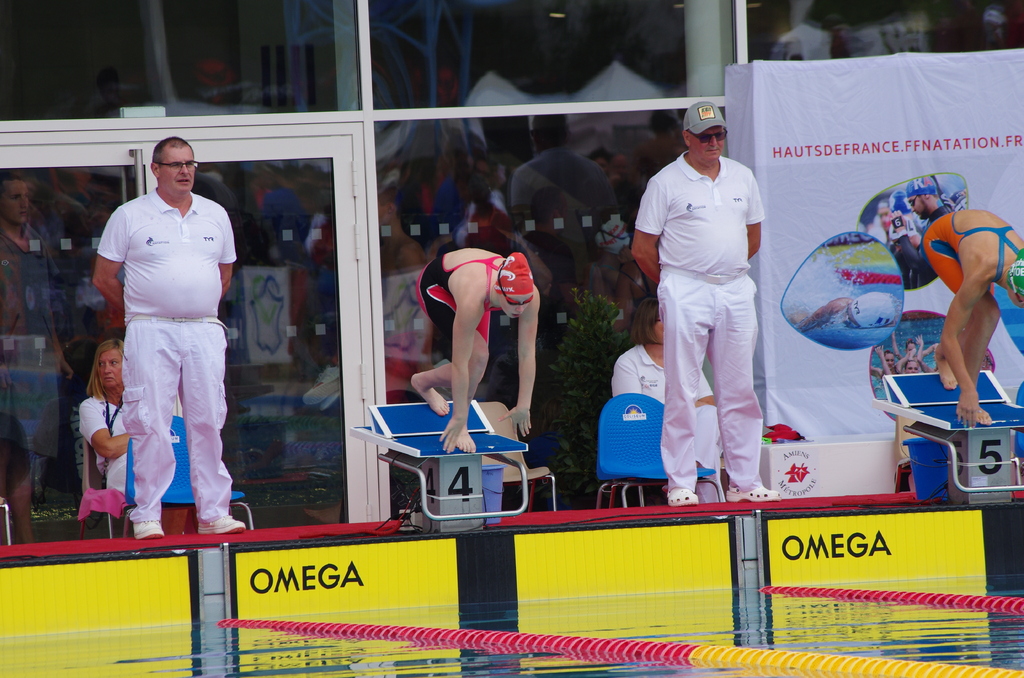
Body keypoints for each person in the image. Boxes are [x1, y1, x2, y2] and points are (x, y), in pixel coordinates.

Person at [93, 136, 246, 540]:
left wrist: (194, 304)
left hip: (203, 328)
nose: (185, 171)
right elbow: (103, 278)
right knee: (150, 422)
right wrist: (141, 310)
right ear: (156, 169)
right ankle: (147, 514)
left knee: (207, 419)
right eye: (176, 164)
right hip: (150, 328)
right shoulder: (129, 215)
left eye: (190, 164)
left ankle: (213, 513)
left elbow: (224, 275)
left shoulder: (215, 214)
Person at [631, 101, 778, 506]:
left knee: (739, 388)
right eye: (705, 135)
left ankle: (744, 480)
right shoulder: (664, 182)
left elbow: (752, 237)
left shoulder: (742, 176)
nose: (713, 142)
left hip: (734, 286)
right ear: (687, 137)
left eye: (719, 134)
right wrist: (674, 283)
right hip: (685, 286)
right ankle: (680, 481)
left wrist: (722, 268)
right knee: (682, 386)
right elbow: (642, 249)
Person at [411, 248, 539, 453]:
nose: (520, 309)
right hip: (437, 287)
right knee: (476, 357)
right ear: (499, 289)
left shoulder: (529, 296)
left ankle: (422, 382)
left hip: (479, 290)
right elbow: (460, 364)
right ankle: (456, 417)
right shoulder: (474, 298)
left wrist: (524, 405)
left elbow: (526, 353)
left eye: (525, 301)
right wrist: (459, 418)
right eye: (514, 302)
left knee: (477, 366)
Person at [612, 298, 723, 503]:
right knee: (709, 447)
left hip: (690, 438)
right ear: (647, 323)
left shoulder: (686, 360)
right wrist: (684, 407)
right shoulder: (628, 363)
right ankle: (707, 503)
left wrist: (671, 408)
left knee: (710, 415)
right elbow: (634, 415)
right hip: (650, 441)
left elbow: (708, 403)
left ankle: (685, 477)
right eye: (664, 320)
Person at [921, 209, 1024, 426]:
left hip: (979, 235)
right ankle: (964, 386)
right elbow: (949, 335)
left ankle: (943, 356)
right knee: (987, 313)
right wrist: (968, 391)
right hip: (939, 241)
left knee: (985, 311)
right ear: (1019, 297)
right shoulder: (982, 272)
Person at [78, 339, 130, 493]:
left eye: (113, 363)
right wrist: (147, 435)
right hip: (120, 474)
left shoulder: (142, 401)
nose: (106, 370)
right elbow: (107, 448)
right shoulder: (91, 406)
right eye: (101, 364)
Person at [789, 291, 900, 332]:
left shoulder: (889, 319)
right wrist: (801, 328)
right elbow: (817, 315)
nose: (846, 318)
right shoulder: (839, 306)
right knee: (799, 319)